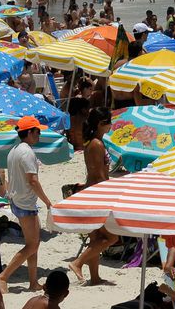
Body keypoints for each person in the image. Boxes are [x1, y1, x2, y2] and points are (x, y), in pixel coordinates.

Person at [0, 116, 54, 293]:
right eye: (37, 131)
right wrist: (47, 201)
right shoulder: (27, 152)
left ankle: (33, 282)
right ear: (29, 132)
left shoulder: (14, 150)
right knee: (32, 245)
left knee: (34, 243)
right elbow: (33, 181)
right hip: (25, 203)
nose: (39, 134)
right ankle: (3, 276)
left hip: (18, 200)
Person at [68, 109, 118, 285]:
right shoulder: (96, 144)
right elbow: (98, 174)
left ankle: (95, 277)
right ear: (100, 123)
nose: (111, 125)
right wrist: (110, 192)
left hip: (92, 191)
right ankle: (77, 262)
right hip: (97, 193)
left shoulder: (95, 142)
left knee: (96, 238)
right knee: (112, 237)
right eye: (108, 122)